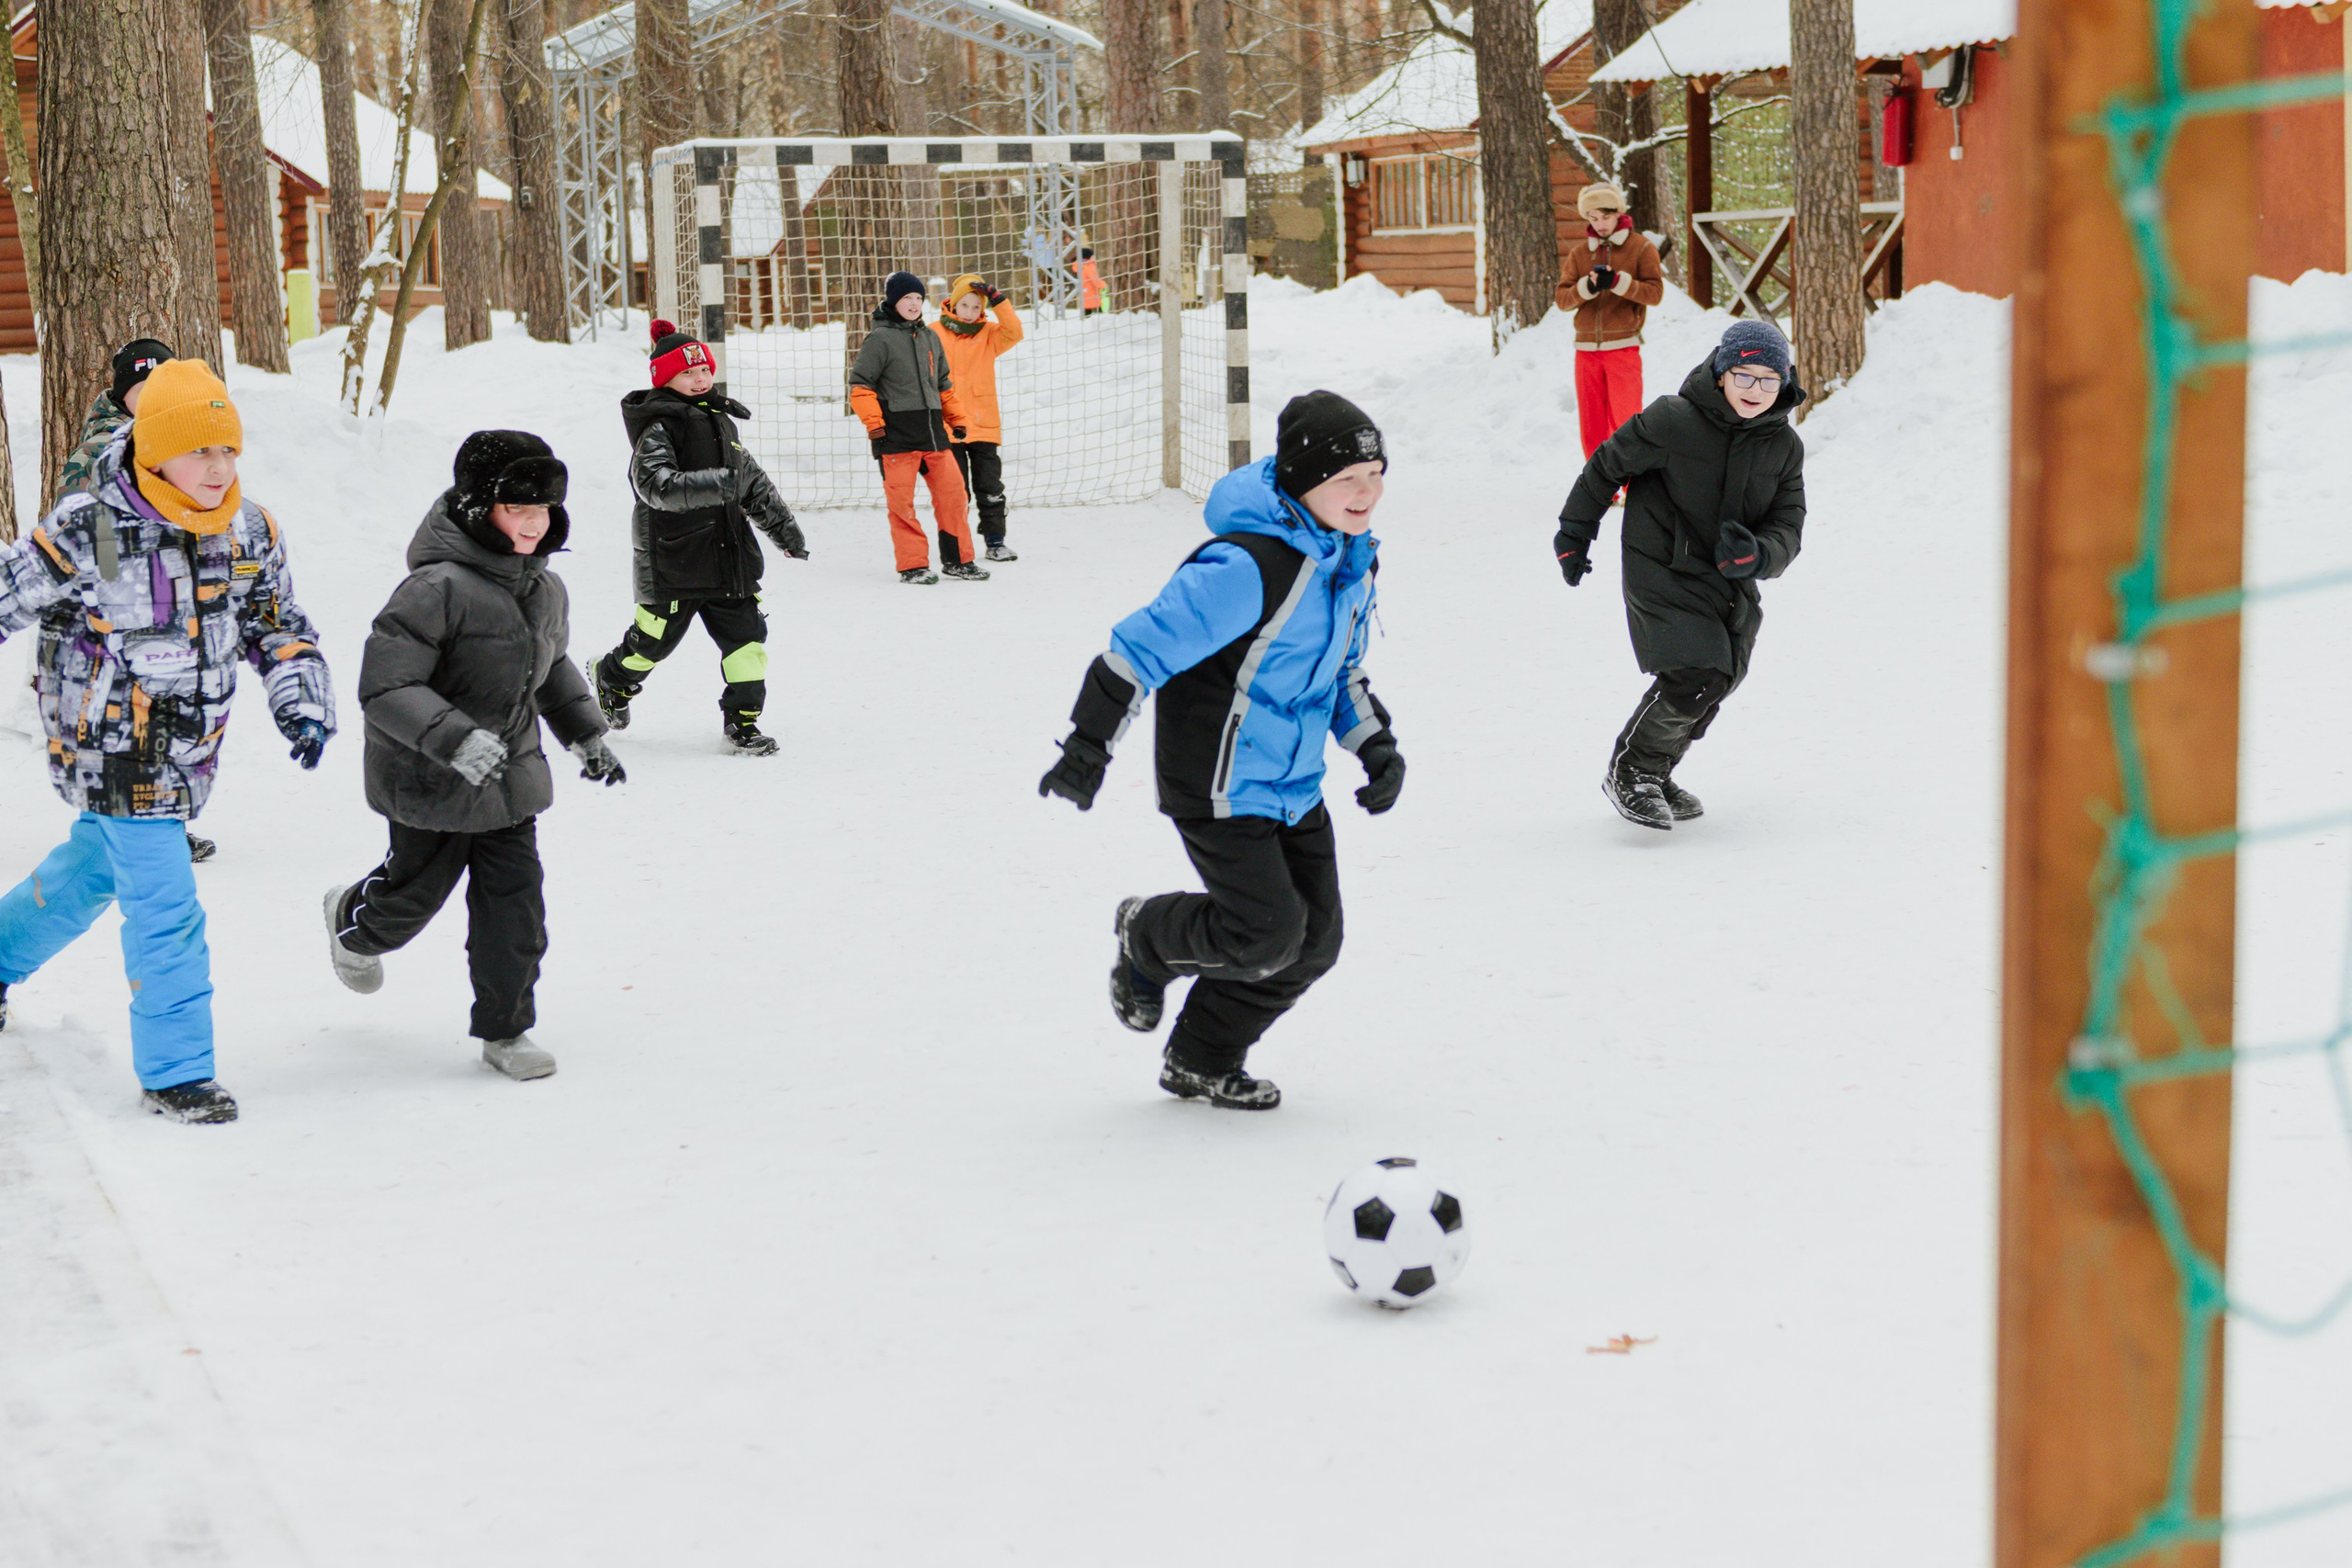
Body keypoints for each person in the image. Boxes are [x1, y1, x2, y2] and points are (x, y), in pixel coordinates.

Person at [1038, 391, 1404, 1111]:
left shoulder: (1348, 563)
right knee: (1266, 932)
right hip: (1218, 780)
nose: (1366, 493)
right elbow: (1136, 649)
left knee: (1315, 941)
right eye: (1346, 480)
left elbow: (1341, 673)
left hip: (1294, 782)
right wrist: (1087, 746)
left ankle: (1201, 1058)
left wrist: (1375, 745)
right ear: (1303, 484)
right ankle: (1148, 932)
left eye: (1375, 473)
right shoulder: (1246, 567)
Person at [0, 359, 334, 1123]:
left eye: (228, 451)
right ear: (154, 453)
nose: (218, 470)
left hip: (190, 748)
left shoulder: (250, 530)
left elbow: (277, 626)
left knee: (91, 871)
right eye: (199, 452)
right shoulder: (95, 528)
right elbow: (10, 588)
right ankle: (178, 1070)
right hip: (108, 742)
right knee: (165, 904)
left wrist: (300, 701)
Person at [326, 432, 624, 1082]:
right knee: (411, 900)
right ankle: (353, 919)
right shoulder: (434, 588)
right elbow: (386, 686)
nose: (533, 523)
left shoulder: (546, 590)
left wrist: (585, 733)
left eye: (542, 510)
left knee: (516, 912)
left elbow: (549, 667)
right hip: (429, 776)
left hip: (508, 780)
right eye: (517, 509)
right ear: (477, 507)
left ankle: (507, 1029)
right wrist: (454, 738)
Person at [1553, 319, 1807, 830]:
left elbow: (1788, 526)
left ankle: (1659, 770)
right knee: (1697, 673)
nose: (1755, 390)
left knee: (1723, 676)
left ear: (1785, 383)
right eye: (1744, 376)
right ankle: (1632, 771)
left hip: (1727, 580)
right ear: (1720, 374)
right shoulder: (1673, 419)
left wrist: (1757, 555)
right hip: (1660, 565)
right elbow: (1607, 466)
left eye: (1768, 379)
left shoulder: (1784, 447)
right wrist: (1575, 532)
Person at [589, 319, 808, 756]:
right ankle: (612, 678)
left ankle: (743, 723)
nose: (700, 379)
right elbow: (656, 485)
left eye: (704, 370)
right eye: (688, 373)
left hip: (729, 559)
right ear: (665, 379)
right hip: (675, 560)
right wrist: (716, 483)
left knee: (747, 641)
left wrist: (784, 529)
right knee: (652, 645)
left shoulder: (721, 421)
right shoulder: (657, 427)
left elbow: (750, 482)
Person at [60, 337, 218, 863]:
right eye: (141, 388)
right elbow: (86, 528)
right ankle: (138, 832)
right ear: (124, 393)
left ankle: (142, 825)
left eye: (160, 387)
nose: (150, 397)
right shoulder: (102, 450)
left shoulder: (178, 443)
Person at [849, 271, 988, 584]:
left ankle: (959, 560)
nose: (913, 304)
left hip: (934, 436)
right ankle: (912, 565)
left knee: (954, 496)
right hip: (896, 438)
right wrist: (876, 426)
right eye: (906, 298)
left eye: (918, 298)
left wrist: (957, 420)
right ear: (893, 301)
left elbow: (943, 385)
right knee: (902, 506)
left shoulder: (929, 337)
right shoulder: (880, 339)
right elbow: (860, 387)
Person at [1565, 184, 1666, 461]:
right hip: (1585, 350)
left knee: (1626, 421)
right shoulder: (1579, 254)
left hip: (1623, 348)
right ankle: (1600, 486)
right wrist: (1588, 286)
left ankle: (1631, 486)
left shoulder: (1641, 247)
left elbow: (1654, 293)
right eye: (1593, 218)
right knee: (1591, 424)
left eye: (1605, 217)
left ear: (1618, 214)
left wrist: (1619, 282)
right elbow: (1562, 299)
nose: (1600, 225)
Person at [932, 273, 1025, 562]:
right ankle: (958, 544)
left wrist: (1000, 302)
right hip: (950, 427)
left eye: (977, 307)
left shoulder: (989, 334)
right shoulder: (933, 332)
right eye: (966, 306)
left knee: (990, 487)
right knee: (955, 491)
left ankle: (996, 542)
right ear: (953, 304)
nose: (971, 313)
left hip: (984, 425)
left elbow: (1015, 332)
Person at [1080, 248, 1103, 316]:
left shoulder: (1081, 266)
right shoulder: (1089, 267)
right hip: (1092, 293)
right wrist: (1103, 285)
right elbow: (1095, 280)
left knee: (1087, 312)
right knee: (1099, 313)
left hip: (1085, 293)